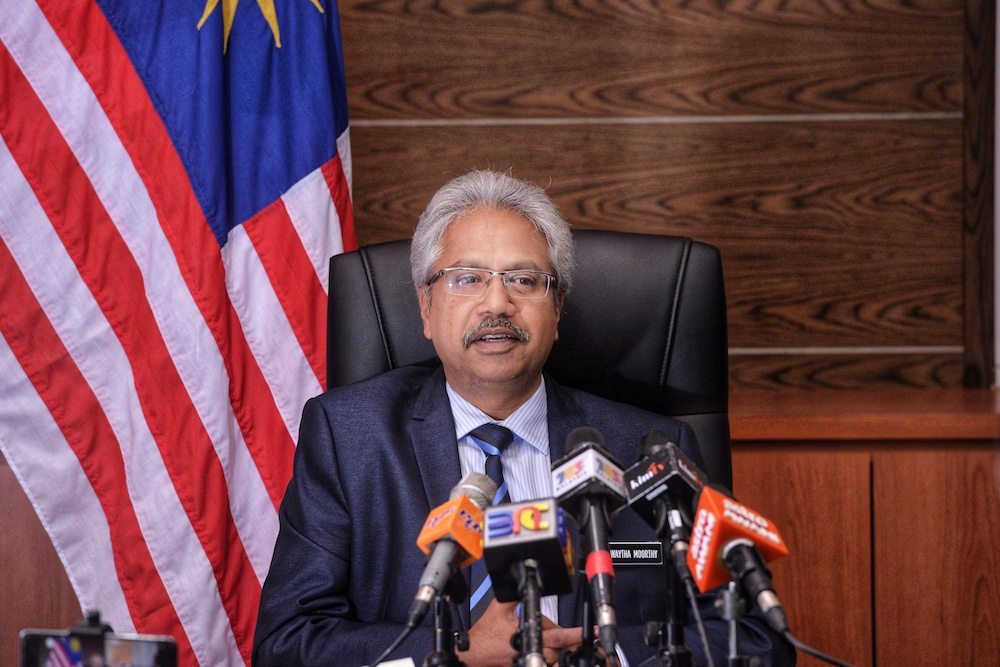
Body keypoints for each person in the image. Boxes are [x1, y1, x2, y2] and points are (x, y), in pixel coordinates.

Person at [252, 169, 795, 667]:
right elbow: (286, 645)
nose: (497, 304)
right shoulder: (349, 437)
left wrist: (607, 655)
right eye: (467, 278)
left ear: (556, 312)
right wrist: (456, 654)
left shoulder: (650, 449)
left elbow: (755, 637)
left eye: (524, 280)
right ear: (425, 307)